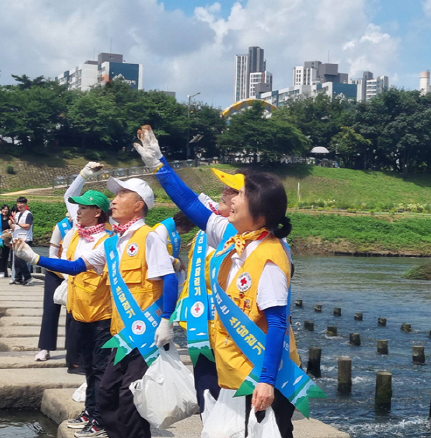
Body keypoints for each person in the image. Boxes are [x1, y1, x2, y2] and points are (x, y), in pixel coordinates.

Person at [134, 125, 313, 437]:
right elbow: (189, 204)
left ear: (259, 211)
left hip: (259, 373)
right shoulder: (234, 236)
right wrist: (158, 165)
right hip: (234, 368)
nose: (230, 200)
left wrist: (267, 380)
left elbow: (277, 321)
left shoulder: (270, 255)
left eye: (239, 194)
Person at [13, 176, 178, 438]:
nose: (114, 199)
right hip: (120, 332)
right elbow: (77, 266)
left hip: (145, 333)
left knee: (129, 394)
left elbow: (168, 278)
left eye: (122, 194)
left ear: (138, 205)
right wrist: (35, 258)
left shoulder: (149, 237)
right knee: (108, 389)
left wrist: (167, 319)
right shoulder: (113, 243)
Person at [60, 189, 112, 438]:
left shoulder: (107, 240)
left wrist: (34, 257)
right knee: (88, 367)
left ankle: (101, 420)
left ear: (97, 212)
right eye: (77, 207)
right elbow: (63, 265)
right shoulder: (75, 235)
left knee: (101, 368)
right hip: (77, 311)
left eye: (83, 207)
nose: (78, 211)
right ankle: (90, 412)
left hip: (101, 314)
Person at [11, 197, 34, 285]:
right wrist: (12, 223)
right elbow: (14, 227)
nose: (19, 205)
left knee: (21, 260)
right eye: (18, 204)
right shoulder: (17, 214)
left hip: (25, 239)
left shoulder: (28, 214)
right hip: (17, 239)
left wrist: (17, 223)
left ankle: (28, 277)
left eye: (21, 203)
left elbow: (27, 226)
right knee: (16, 260)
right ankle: (18, 277)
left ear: (25, 204)